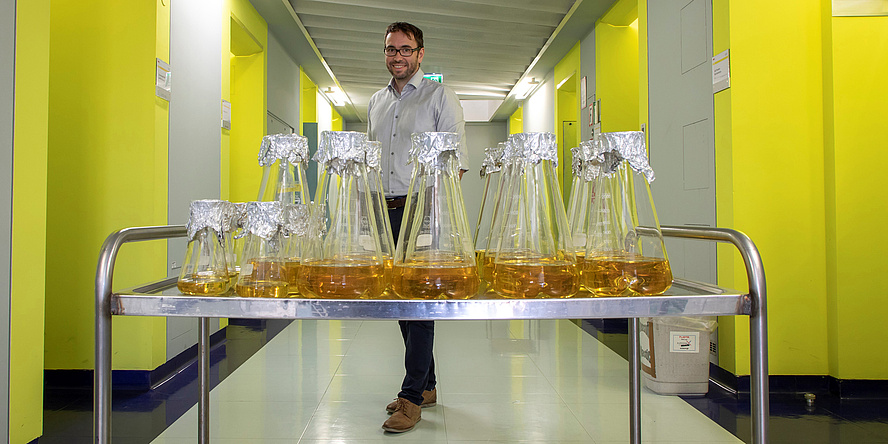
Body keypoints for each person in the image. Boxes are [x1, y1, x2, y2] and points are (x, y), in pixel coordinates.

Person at [367, 21, 468, 433]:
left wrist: (432, 212)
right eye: (392, 49)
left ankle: (410, 399)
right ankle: (426, 385)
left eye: (406, 49)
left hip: (421, 209)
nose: (398, 57)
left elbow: (455, 162)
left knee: (420, 301)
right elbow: (373, 160)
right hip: (384, 208)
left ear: (420, 54)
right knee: (399, 299)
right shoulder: (375, 101)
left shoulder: (440, 96)